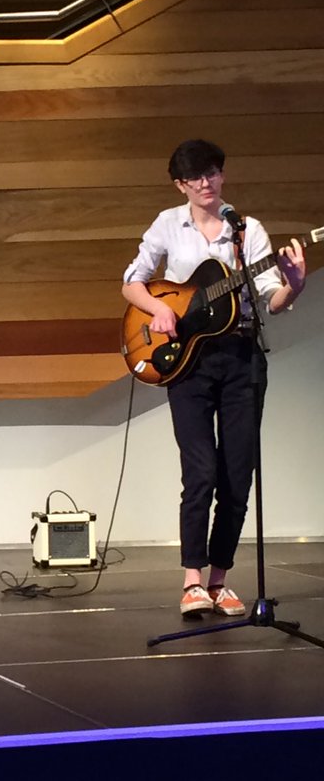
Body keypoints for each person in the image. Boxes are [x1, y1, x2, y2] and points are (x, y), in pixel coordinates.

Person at [122, 139, 306, 617]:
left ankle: (221, 579)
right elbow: (132, 280)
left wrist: (294, 285)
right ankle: (192, 581)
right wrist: (160, 309)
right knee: (200, 471)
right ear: (181, 184)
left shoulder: (247, 231)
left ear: (223, 175)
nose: (206, 183)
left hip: (242, 357)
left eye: (213, 173)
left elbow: (271, 299)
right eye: (195, 177)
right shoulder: (168, 224)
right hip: (190, 362)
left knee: (237, 475)